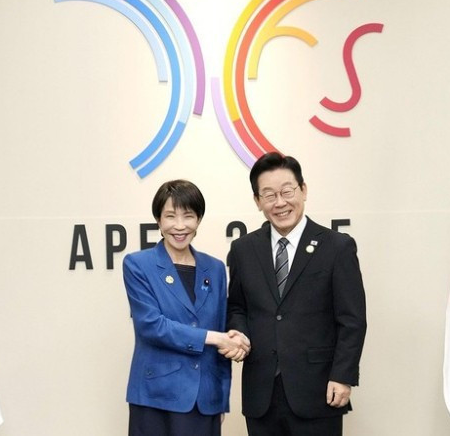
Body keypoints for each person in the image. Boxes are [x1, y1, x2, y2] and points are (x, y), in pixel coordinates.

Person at [227, 153, 367, 436]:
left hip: (317, 389)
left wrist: (343, 376)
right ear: (257, 201)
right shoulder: (243, 249)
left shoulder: (337, 247)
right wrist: (239, 335)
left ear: (303, 190)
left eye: (287, 191)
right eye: (269, 195)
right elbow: (237, 307)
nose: (280, 202)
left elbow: (352, 319)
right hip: (261, 391)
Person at [123, 179, 249, 436]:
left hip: (204, 399)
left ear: (199, 220)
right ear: (158, 220)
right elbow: (151, 326)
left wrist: (220, 399)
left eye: (188, 216)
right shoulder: (138, 265)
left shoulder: (214, 268)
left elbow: (221, 324)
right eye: (170, 216)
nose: (179, 226)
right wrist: (215, 338)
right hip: (155, 397)